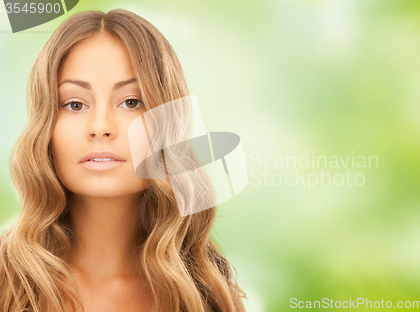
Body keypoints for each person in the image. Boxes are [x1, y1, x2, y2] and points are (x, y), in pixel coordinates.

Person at [0, 9, 246, 312]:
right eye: (75, 104)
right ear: (45, 127)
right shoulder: (6, 280)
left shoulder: (206, 291)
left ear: (168, 121)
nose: (101, 126)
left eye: (131, 102)